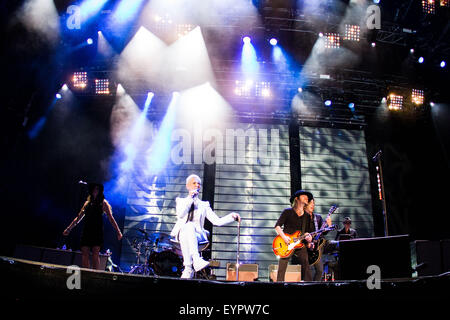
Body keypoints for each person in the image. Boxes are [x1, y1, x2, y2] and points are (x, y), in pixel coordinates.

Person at [171, 174, 241, 279]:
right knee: (188, 226)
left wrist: (231, 217)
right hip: (181, 235)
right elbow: (181, 214)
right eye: (194, 183)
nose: (197, 185)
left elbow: (216, 221)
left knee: (190, 227)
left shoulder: (204, 205)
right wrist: (190, 198)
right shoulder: (181, 201)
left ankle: (188, 267)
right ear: (187, 186)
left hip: (198, 236)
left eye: (199, 184)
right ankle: (195, 260)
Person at [63, 183, 122, 270]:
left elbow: (111, 218)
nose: (95, 190)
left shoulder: (103, 203)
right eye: (94, 189)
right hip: (87, 230)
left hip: (97, 231)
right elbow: (78, 218)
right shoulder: (87, 204)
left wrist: (118, 231)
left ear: (100, 191)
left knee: (95, 254)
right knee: (85, 253)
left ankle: (95, 275)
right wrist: (69, 228)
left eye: (97, 189)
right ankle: (86, 274)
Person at [274, 190, 315, 282]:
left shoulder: (307, 216)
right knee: (282, 265)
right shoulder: (287, 212)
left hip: (300, 243)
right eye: (303, 196)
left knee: (306, 263)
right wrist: (284, 237)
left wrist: (309, 238)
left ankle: (309, 284)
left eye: (307, 197)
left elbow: (308, 233)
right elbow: (277, 227)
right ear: (297, 199)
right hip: (286, 243)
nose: (306, 197)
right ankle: (279, 284)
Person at [304, 199, 332, 281]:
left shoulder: (318, 218)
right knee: (306, 271)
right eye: (310, 203)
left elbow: (323, 233)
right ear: (306, 205)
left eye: (313, 203)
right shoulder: (302, 218)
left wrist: (329, 226)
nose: (312, 205)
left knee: (320, 270)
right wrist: (307, 243)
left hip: (316, 248)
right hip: (305, 248)